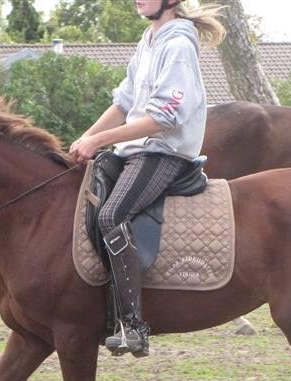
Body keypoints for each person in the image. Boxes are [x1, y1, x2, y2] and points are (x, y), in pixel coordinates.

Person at [70, 0, 225, 357]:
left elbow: (165, 118)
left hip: (164, 152)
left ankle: (131, 324)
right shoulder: (149, 39)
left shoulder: (178, 45)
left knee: (112, 216)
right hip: (134, 149)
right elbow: (123, 103)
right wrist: (84, 138)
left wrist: (99, 141)